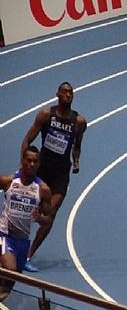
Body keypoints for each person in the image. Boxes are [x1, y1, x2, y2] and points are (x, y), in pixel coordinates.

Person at [20, 82, 87, 272]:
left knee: (50, 214)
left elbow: (77, 145)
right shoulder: (46, 115)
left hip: (60, 175)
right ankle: (11, 242)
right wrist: (23, 166)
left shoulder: (79, 122)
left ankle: (27, 255)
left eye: (71, 93)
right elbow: (27, 140)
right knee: (24, 207)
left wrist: (76, 161)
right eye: (64, 92)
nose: (68, 95)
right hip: (40, 172)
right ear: (57, 94)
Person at [0, 146, 51, 300]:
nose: (31, 164)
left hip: (22, 242)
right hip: (4, 234)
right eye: (28, 160)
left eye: (35, 161)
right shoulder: (8, 181)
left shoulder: (43, 190)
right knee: (10, 269)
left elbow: (48, 220)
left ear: (39, 164)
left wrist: (39, 218)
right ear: (22, 161)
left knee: (7, 287)